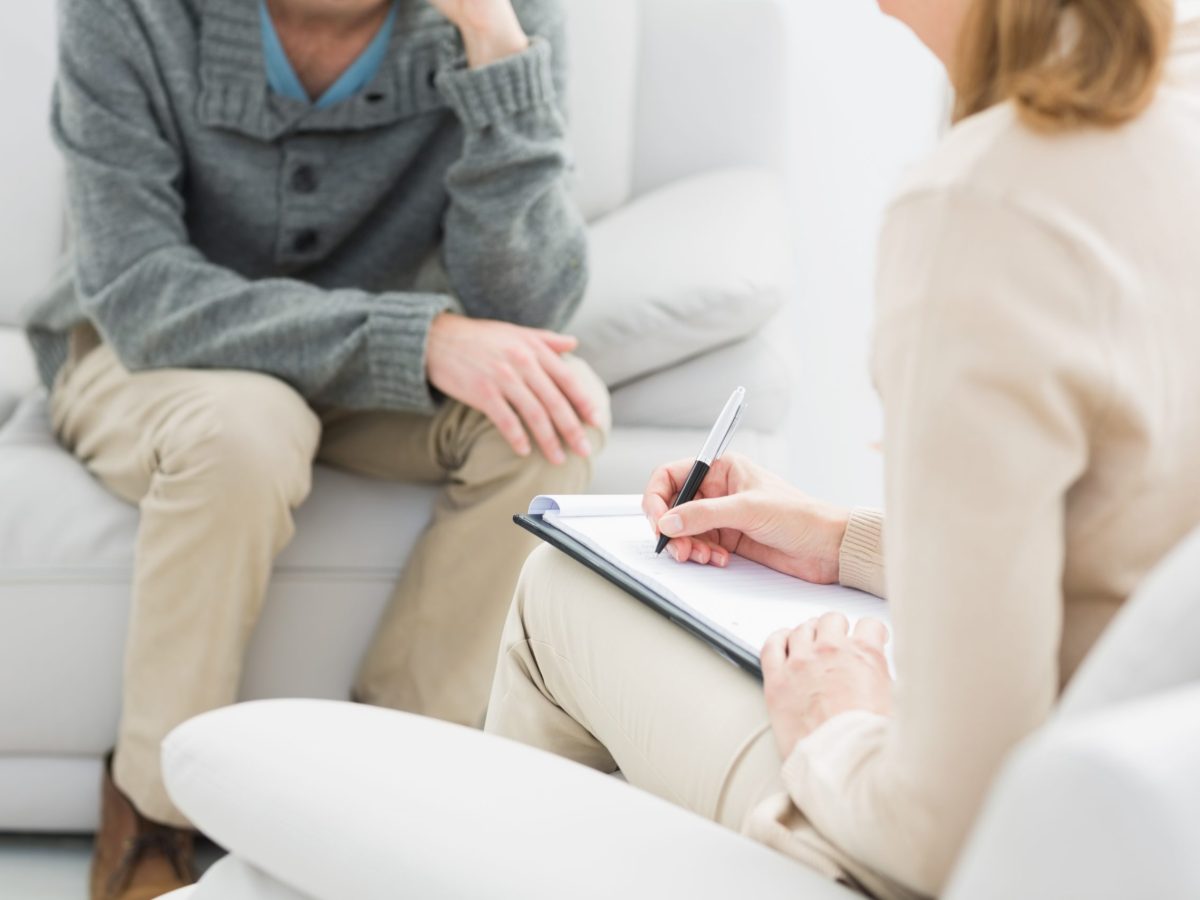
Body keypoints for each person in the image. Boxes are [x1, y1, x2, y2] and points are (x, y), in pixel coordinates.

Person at [485, 0, 1200, 896]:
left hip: (983, 856)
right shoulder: (1175, 84)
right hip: (1154, 826)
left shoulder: (988, 201)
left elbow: (947, 826)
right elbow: (1132, 547)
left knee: (563, 589)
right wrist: (841, 540)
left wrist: (833, 724)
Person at [25, 0, 608, 896]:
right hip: (151, 355)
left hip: (370, 372)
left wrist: (495, 50)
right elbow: (139, 291)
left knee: (552, 414)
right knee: (245, 432)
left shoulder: (509, 13)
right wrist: (413, 340)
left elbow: (528, 308)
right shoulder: (123, 10)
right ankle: (152, 808)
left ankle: (380, 797)